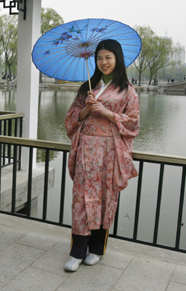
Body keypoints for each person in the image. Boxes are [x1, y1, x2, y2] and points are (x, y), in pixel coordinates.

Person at [64, 39, 140, 272]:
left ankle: (96, 249)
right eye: (99, 58)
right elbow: (70, 120)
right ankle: (77, 252)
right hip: (86, 149)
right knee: (81, 201)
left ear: (117, 58)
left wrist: (107, 113)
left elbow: (134, 123)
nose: (103, 62)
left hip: (109, 152)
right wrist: (86, 109)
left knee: (106, 199)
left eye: (108, 57)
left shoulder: (127, 90)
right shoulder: (88, 86)